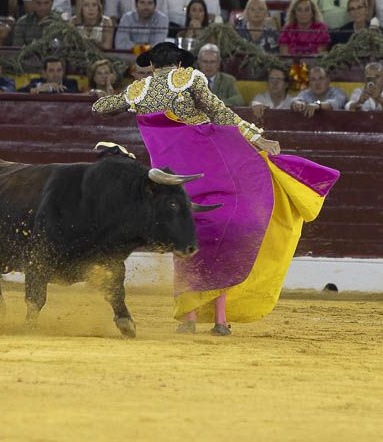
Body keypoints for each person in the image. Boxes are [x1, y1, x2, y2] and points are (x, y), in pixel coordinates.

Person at [91, 38, 333, 337]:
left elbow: (100, 107)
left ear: (152, 66)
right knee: (223, 240)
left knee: (189, 244)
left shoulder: (138, 90)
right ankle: (220, 321)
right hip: (215, 178)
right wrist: (257, 138)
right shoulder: (190, 78)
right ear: (180, 64)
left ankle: (188, 320)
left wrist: (119, 92)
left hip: (175, 188)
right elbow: (221, 114)